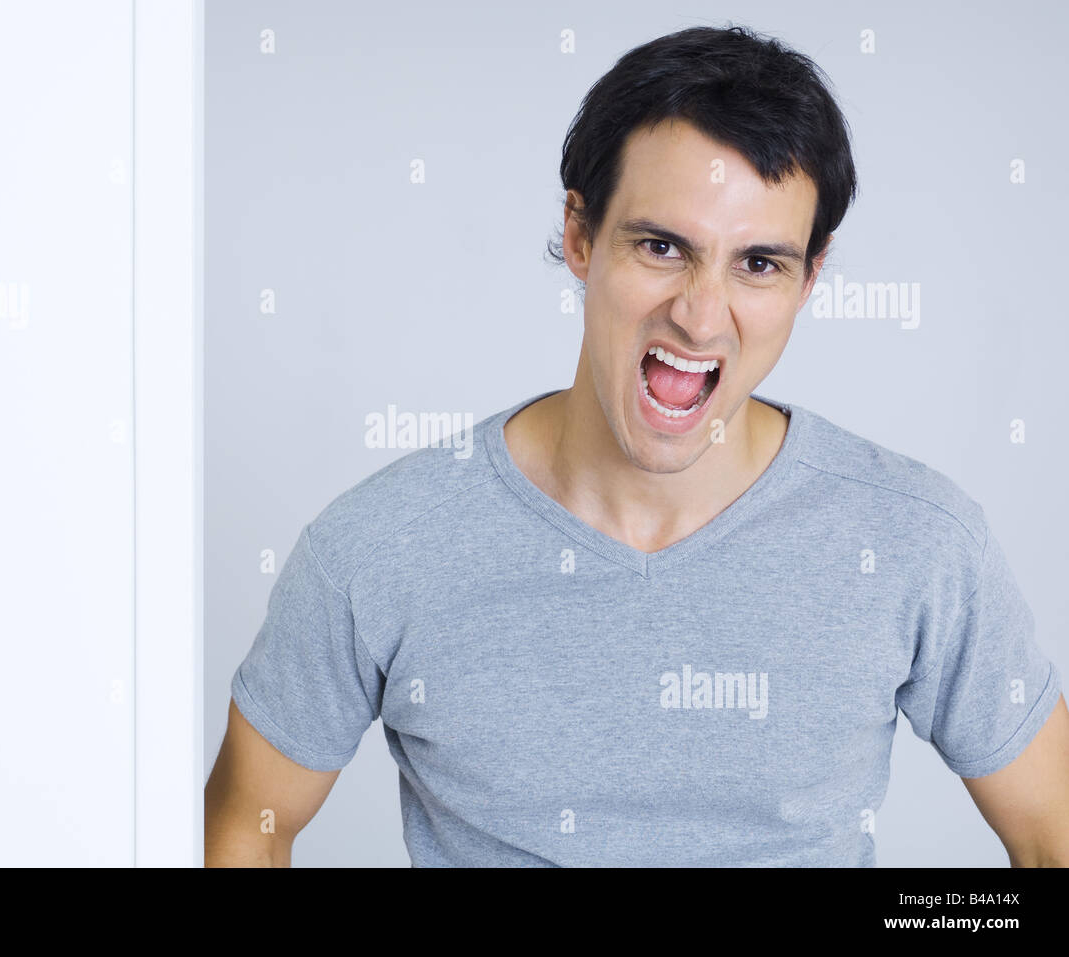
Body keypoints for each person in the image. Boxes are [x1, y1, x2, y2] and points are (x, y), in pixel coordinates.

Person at [205, 24, 1068, 867]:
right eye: (662, 246)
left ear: (811, 276)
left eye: (759, 263)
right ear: (580, 235)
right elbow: (249, 822)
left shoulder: (920, 541)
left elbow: (1050, 836)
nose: (699, 313)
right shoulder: (377, 545)